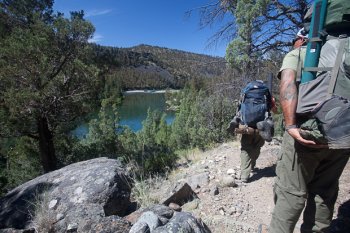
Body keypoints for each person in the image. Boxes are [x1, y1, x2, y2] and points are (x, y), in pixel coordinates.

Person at [266, 28, 350, 233]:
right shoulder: (345, 52)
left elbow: (287, 83)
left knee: (290, 193)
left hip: (307, 133)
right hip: (342, 136)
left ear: (303, 38)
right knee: (324, 192)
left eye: (295, 39)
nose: (294, 43)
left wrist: (291, 125)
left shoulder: (302, 53)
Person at [237, 82, 277, 184]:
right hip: (262, 125)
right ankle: (252, 164)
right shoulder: (266, 93)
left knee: (245, 149)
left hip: (247, 124)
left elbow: (240, 106)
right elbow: (274, 109)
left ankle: (244, 175)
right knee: (257, 147)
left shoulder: (246, 91)